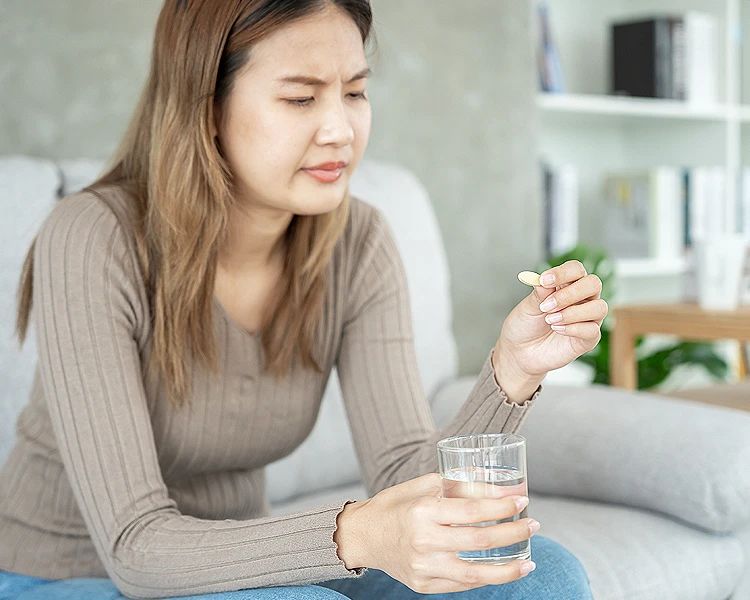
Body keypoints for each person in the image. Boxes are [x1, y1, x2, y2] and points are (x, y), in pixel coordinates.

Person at [0, 1, 607, 598]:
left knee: (539, 574)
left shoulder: (358, 241)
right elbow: (135, 548)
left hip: (247, 566)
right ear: (205, 105)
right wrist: (353, 536)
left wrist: (513, 369)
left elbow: (404, 479)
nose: (340, 130)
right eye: (300, 98)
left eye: (355, 92)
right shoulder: (92, 238)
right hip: (67, 573)